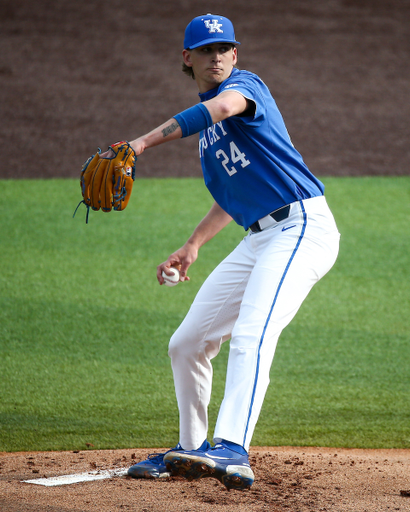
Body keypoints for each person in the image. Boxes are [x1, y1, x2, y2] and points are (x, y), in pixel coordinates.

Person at [125, 13, 340, 490]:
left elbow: (220, 108)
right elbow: (232, 195)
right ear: (188, 58)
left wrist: (141, 143)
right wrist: (193, 244)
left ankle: (234, 450)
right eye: (205, 49)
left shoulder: (245, 87)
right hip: (259, 238)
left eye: (224, 47)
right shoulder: (209, 140)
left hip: (302, 227)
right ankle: (191, 449)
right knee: (186, 343)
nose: (216, 55)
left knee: (251, 334)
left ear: (236, 54)